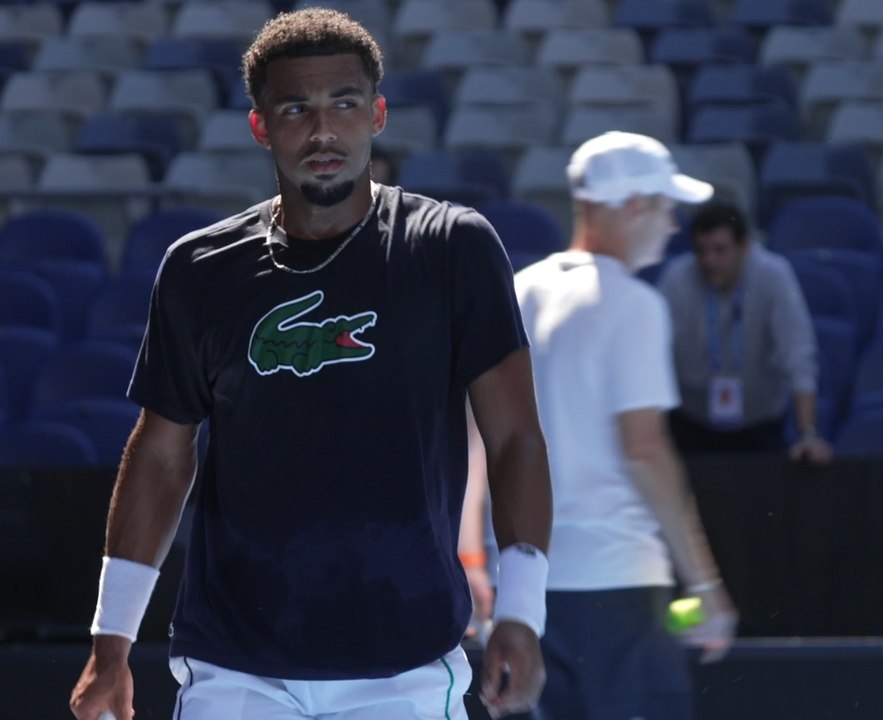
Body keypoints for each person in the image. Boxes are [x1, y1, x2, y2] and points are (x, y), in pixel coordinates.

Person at [68, 9, 553, 720]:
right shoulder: (199, 269)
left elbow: (515, 438)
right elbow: (162, 455)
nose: (323, 131)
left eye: (345, 104)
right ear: (261, 126)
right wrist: (111, 642)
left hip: (405, 663)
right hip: (234, 663)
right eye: (296, 108)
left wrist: (522, 613)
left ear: (378, 115)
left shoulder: (454, 248)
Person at [496, 131, 739, 719]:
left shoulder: (518, 293)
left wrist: (480, 566)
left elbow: (480, 442)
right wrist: (705, 587)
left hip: (527, 595)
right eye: (664, 207)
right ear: (632, 206)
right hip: (620, 593)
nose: (673, 225)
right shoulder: (634, 305)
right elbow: (646, 453)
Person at [657, 201, 833, 462]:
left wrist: (807, 435)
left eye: (720, 250)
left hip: (759, 424)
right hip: (691, 423)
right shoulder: (676, 279)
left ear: (744, 247)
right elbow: (653, 358)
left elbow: (799, 355)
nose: (709, 261)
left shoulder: (773, 275)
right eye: (701, 251)